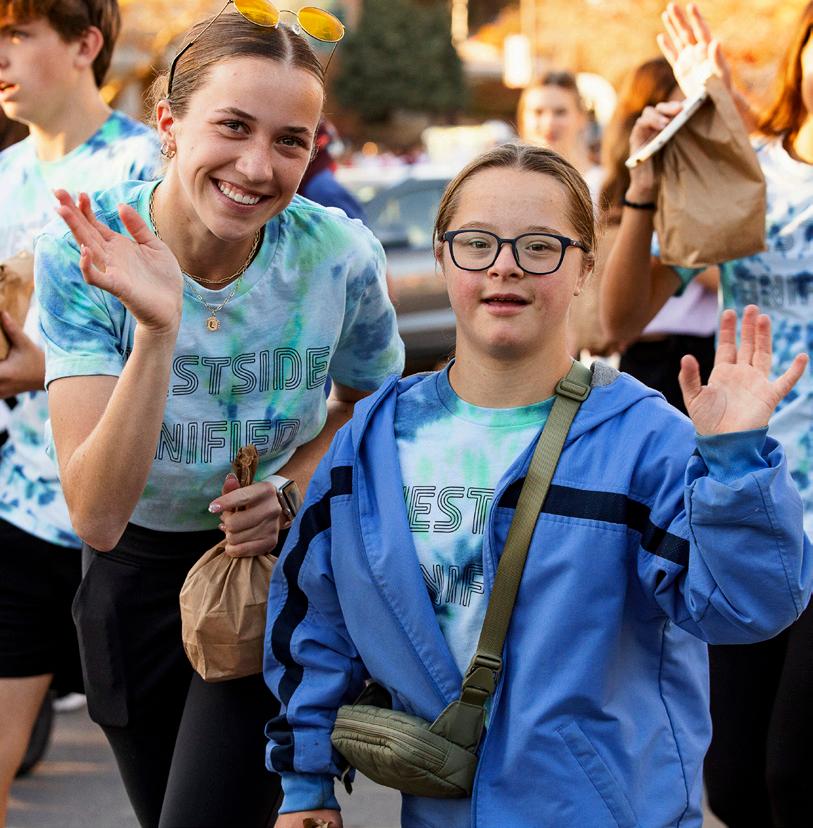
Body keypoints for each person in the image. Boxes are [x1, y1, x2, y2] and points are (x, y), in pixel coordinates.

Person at [263, 142, 812, 827]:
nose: (505, 265)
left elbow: (749, 607)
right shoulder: (372, 442)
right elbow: (314, 620)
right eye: (477, 243)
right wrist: (305, 784)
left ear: (584, 267)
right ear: (441, 256)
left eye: (540, 247)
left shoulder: (645, 440)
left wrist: (734, 464)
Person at [35, 6, 403, 828]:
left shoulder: (336, 257)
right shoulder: (90, 251)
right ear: (169, 125)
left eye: (290, 141)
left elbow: (373, 404)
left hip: (267, 576)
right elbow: (96, 515)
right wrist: (157, 331)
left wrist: (291, 486)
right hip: (131, 582)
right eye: (232, 126)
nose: (257, 166)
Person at [600, 3, 813, 825]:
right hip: (748, 503)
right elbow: (619, 320)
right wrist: (649, 185)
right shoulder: (747, 172)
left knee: (795, 774)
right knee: (729, 780)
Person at [0, 0, 159, 821]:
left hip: (144, 517)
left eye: (16, 34)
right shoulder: (3, 175)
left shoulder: (148, 165)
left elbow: (198, 338)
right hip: (20, 504)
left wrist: (46, 371)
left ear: (84, 44)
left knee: (168, 786)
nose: (0, 56)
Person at [598, 56, 718, 413]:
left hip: (703, 349)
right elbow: (620, 322)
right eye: (680, 112)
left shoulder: (715, 187)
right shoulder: (631, 189)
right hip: (650, 355)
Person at [517, 70, 603, 196]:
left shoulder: (602, 185)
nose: (549, 123)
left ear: (581, 118)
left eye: (560, 112)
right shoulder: (506, 183)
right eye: (538, 112)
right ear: (522, 118)